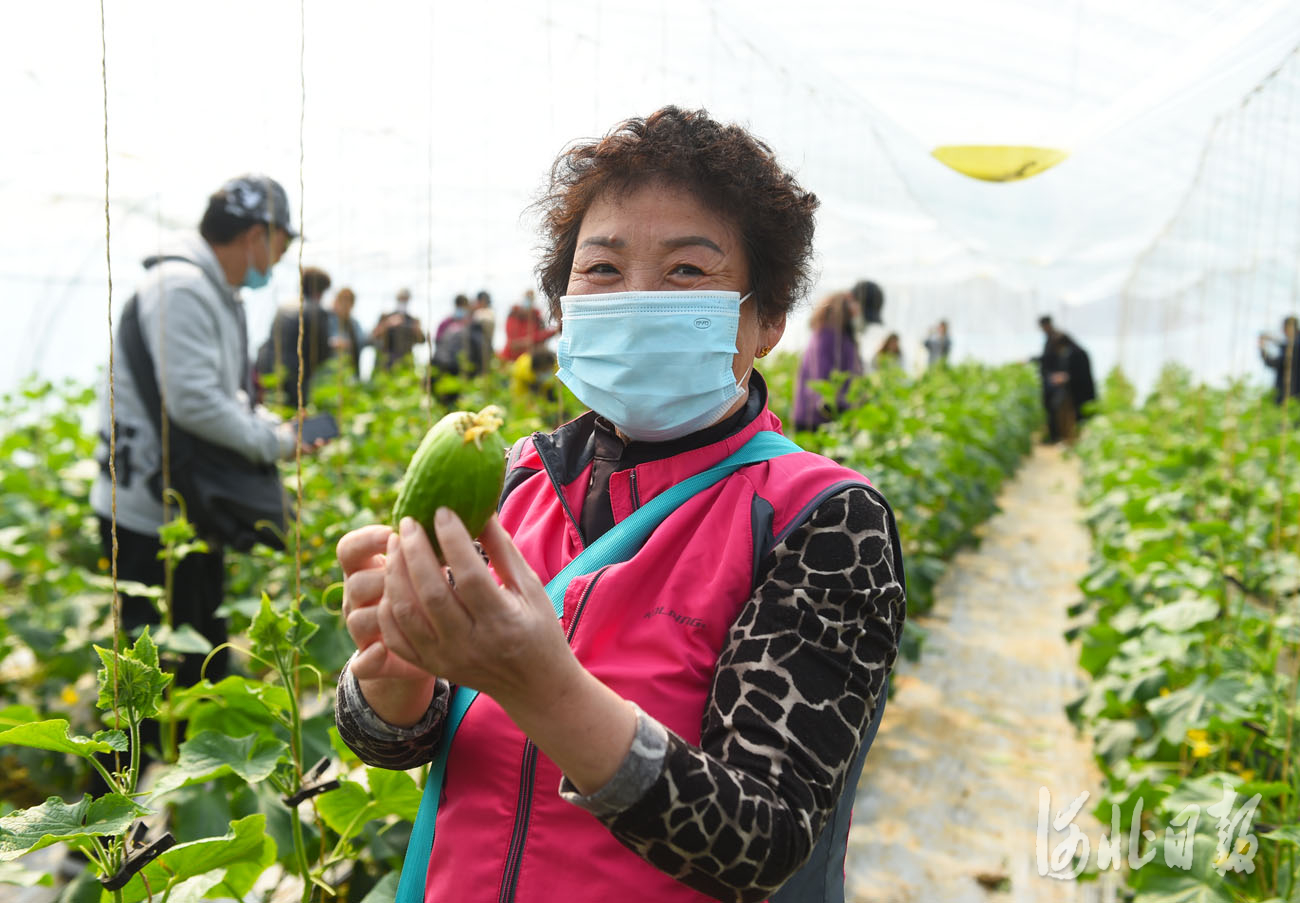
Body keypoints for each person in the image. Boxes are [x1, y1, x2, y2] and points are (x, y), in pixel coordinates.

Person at [333, 106, 906, 903]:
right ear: (564, 307)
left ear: (767, 320)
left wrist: (541, 684)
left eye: (686, 273)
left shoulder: (822, 519)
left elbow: (763, 840)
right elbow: (396, 739)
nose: (638, 298)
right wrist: (396, 682)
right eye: (602, 269)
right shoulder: (514, 477)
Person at [90, 174, 305, 690]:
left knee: (199, 655)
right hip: (151, 521)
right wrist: (275, 441)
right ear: (257, 235)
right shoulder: (181, 288)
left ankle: (185, 761)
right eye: (281, 243)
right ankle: (122, 771)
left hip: (182, 508)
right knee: (141, 683)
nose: (278, 259)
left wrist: (269, 425)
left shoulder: (210, 289)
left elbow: (216, 392)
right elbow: (194, 403)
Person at [256, 265, 334, 405]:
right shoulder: (317, 311)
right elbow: (322, 352)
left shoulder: (284, 307)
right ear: (320, 291)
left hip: (267, 367)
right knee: (295, 416)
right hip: (294, 376)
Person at [792, 290, 863, 431]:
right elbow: (821, 375)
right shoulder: (826, 336)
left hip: (821, 415)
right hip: (816, 418)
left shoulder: (838, 335)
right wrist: (840, 405)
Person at [1037, 315, 1096, 443]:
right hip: (1079, 390)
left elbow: (1077, 374)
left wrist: (1064, 378)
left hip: (1082, 391)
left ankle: (1079, 440)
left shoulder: (1076, 353)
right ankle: (1076, 439)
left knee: (1082, 416)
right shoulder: (1076, 351)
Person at [372, 288, 426, 371]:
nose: (403, 301)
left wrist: (417, 330)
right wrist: (388, 324)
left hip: (406, 364)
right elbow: (373, 336)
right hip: (386, 363)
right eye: (401, 298)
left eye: (405, 299)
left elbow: (422, 340)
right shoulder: (386, 317)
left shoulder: (413, 320)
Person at [501, 289, 558, 362]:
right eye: (527, 298)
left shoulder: (536, 317)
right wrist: (529, 341)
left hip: (530, 360)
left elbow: (541, 336)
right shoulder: (513, 315)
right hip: (510, 359)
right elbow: (513, 344)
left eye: (530, 299)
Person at [328, 287, 371, 378]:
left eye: (349, 301)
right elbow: (323, 339)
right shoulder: (327, 319)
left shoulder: (354, 323)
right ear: (336, 301)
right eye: (342, 300)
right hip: (330, 371)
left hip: (350, 371)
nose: (345, 304)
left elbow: (363, 340)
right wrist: (333, 343)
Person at [1259, 315, 1300, 406]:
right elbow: (1274, 362)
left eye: (1285, 329)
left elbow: (1292, 348)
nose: (1284, 332)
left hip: (1292, 396)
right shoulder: (1289, 348)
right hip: (1289, 396)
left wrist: (1268, 344)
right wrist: (1265, 347)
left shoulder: (1293, 347)